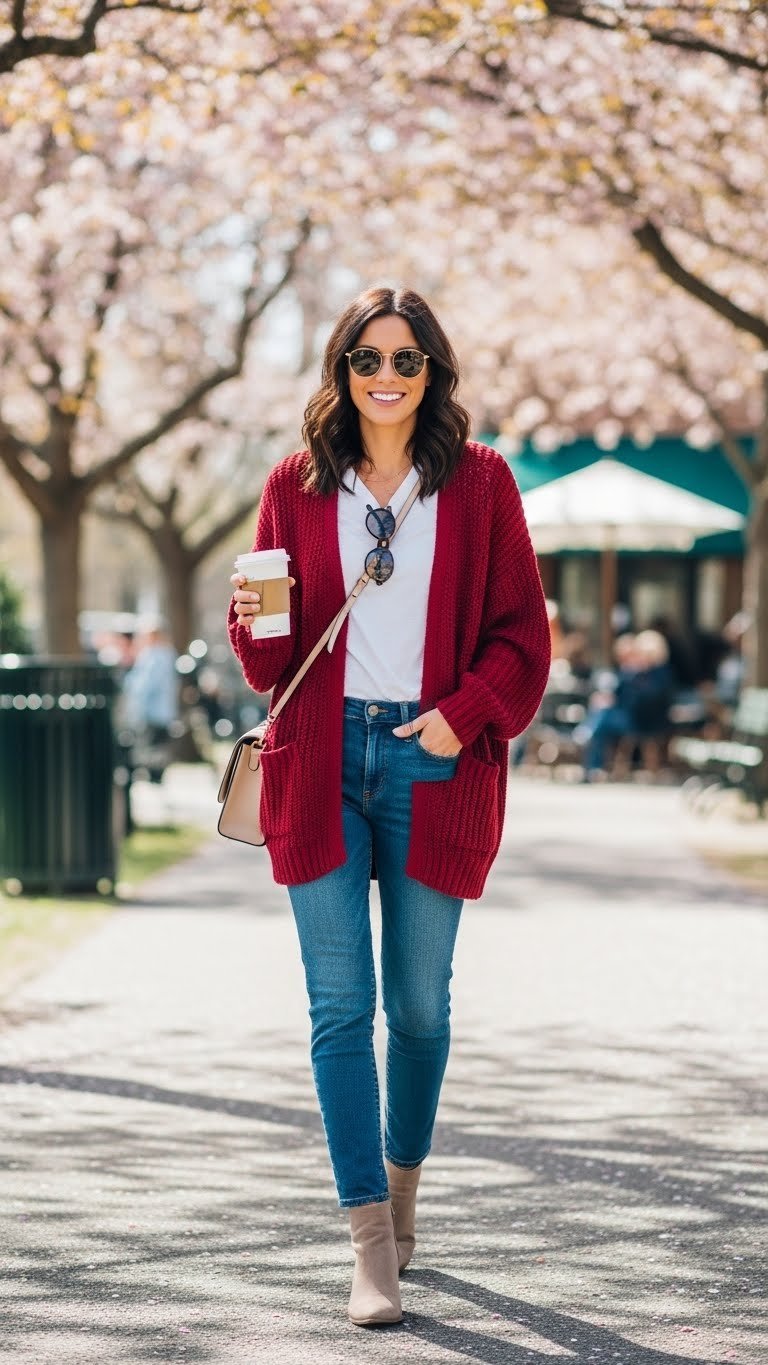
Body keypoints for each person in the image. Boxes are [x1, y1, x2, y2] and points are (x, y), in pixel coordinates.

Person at [227, 287, 550, 1327]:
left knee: (418, 1007)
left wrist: (466, 715)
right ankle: (368, 1241)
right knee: (338, 1009)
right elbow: (271, 664)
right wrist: (251, 621)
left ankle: (405, 1193)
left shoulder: (484, 482)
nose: (387, 375)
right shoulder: (295, 483)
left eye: (407, 360)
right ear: (342, 368)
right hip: (320, 759)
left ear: (432, 373)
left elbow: (521, 636)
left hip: (430, 757)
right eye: (368, 357)